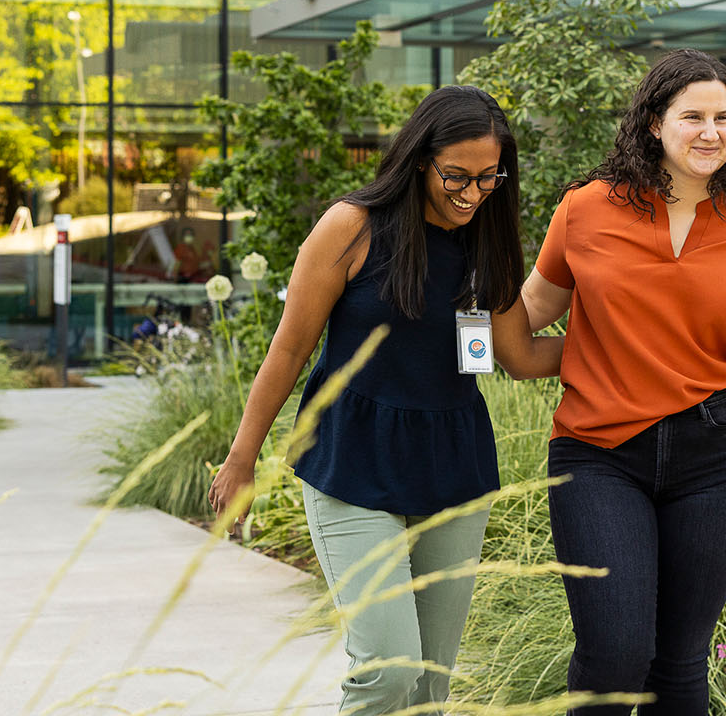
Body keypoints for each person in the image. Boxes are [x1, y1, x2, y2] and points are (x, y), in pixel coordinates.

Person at [207, 85, 563, 716]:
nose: (471, 193)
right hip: (352, 460)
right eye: (455, 175)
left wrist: (629, 343)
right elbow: (289, 349)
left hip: (454, 466)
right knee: (387, 672)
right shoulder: (353, 228)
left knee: (429, 683)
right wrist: (242, 459)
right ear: (418, 159)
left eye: (488, 179)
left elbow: (520, 356)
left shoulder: (489, 244)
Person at [521, 49, 726, 715]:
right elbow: (529, 314)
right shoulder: (584, 211)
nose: (710, 131)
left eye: (723, 117)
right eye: (692, 115)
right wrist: (451, 302)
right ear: (653, 124)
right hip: (597, 455)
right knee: (615, 652)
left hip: (711, 460)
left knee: (679, 662)